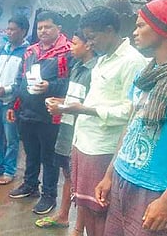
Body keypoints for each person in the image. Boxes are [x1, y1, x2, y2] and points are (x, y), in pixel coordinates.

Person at [95, 0, 167, 236]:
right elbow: (131, 126)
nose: (134, 32)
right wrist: (109, 174)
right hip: (122, 177)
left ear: (163, 27)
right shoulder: (146, 74)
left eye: (140, 25)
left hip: (155, 188)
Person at [59, 6, 147, 236]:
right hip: (83, 142)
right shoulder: (101, 60)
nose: (89, 44)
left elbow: (131, 111)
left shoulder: (132, 62)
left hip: (104, 148)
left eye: (92, 37)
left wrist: (87, 110)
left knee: (102, 209)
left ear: (109, 30)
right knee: (85, 205)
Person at [7, 10, 73, 215]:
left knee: (50, 157)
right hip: (27, 112)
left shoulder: (67, 51)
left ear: (58, 29)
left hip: (51, 114)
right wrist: (12, 106)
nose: (43, 31)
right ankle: (30, 186)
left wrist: (49, 87)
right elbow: (20, 80)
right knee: (31, 153)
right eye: (40, 27)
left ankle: (49, 195)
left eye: (48, 27)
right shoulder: (31, 52)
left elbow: (72, 84)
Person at [35, 29, 97, 234]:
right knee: (68, 174)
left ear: (89, 45)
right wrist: (60, 103)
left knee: (81, 181)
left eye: (75, 43)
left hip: (83, 131)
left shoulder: (95, 70)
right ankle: (63, 215)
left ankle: (79, 228)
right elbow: (75, 99)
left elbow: (91, 105)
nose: (71, 48)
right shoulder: (78, 67)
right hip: (68, 126)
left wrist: (62, 106)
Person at [0, 15, 29, 185]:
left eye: (13, 29)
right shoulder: (2, 49)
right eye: (8, 29)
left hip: (11, 103)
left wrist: (7, 90)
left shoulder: (27, 53)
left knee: (11, 138)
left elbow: (24, 82)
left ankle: (9, 171)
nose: (9, 32)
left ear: (23, 31)